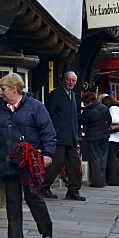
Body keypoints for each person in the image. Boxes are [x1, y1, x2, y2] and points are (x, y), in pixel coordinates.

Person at [0, 73, 55, 238]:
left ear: (14, 89)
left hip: (28, 161)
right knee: (12, 200)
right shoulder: (2, 109)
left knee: (33, 196)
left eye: (3, 89)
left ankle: (46, 228)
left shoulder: (36, 107)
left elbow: (48, 132)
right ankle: (15, 237)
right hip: (9, 160)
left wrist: (47, 153)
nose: (0, 92)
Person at [42, 71, 86, 200]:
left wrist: (76, 135)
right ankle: (43, 187)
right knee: (56, 162)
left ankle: (73, 191)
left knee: (74, 164)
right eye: (69, 79)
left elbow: (73, 117)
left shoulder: (73, 95)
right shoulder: (56, 94)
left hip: (70, 137)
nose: (71, 82)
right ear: (64, 80)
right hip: (59, 136)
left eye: (73, 80)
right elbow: (48, 114)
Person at [80, 91, 111, 188]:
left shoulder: (88, 111)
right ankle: (102, 180)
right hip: (105, 136)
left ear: (88, 102)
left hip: (93, 137)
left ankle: (96, 181)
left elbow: (81, 120)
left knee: (95, 159)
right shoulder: (104, 108)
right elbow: (109, 120)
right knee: (103, 158)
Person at [100, 95, 119, 186]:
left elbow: (114, 120)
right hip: (115, 138)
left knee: (111, 160)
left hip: (112, 138)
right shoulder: (116, 108)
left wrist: (105, 121)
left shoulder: (112, 108)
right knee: (112, 160)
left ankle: (113, 180)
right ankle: (113, 179)